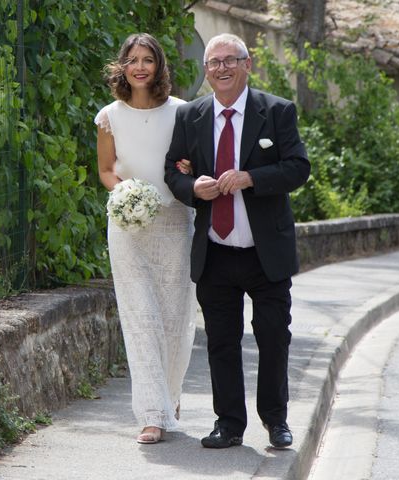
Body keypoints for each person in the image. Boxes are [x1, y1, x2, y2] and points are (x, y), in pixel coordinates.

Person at [164, 33, 310, 449]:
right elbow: (172, 170)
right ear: (206, 71)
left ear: (248, 65)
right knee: (222, 343)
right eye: (214, 62)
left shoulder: (277, 111)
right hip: (215, 251)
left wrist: (251, 178)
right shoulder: (190, 115)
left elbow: (298, 168)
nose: (222, 68)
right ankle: (228, 424)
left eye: (231, 60)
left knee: (273, 338)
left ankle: (276, 421)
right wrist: (194, 187)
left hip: (267, 254)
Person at [94, 33, 196, 444]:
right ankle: (151, 414)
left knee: (174, 317)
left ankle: (169, 397)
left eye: (147, 60)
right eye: (133, 60)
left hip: (174, 222)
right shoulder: (108, 116)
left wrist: (190, 166)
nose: (140, 67)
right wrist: (123, 195)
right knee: (140, 319)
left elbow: (193, 163)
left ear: (159, 66)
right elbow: (105, 170)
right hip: (128, 226)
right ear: (122, 66)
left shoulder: (183, 112)